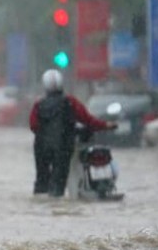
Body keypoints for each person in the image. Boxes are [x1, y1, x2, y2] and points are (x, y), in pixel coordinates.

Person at [28, 68, 114, 197]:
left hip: (41, 147)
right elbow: (88, 120)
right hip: (63, 147)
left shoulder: (38, 105)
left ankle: (41, 204)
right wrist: (106, 125)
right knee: (59, 181)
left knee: (42, 179)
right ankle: (56, 203)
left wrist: (45, 135)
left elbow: (33, 126)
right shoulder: (70, 102)